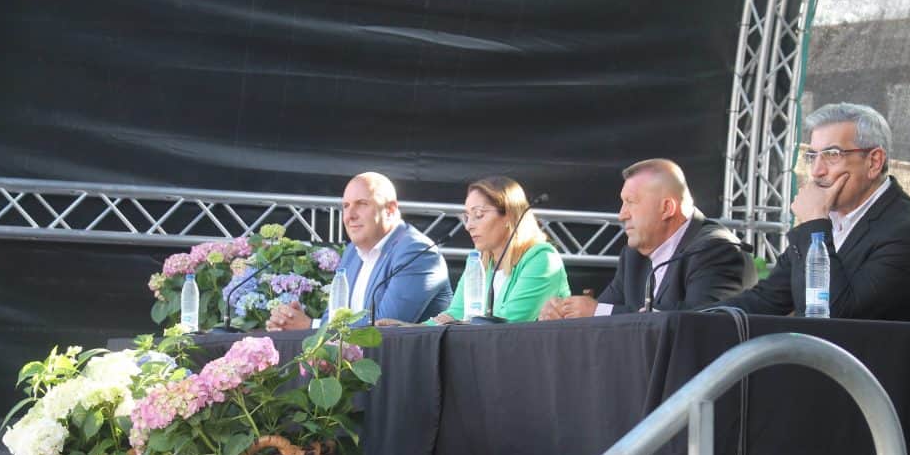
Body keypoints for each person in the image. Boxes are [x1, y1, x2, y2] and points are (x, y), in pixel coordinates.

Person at [718, 102, 910, 325]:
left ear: (874, 162)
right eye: (813, 156)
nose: (816, 171)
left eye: (832, 155)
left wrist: (814, 221)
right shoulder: (829, 217)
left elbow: (835, 319)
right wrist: (699, 319)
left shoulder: (908, 232)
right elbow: (766, 299)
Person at [538, 159, 755, 320]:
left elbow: (701, 322)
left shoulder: (716, 250)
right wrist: (565, 314)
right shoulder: (634, 256)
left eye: (631, 202)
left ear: (667, 208)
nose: (621, 214)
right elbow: (601, 314)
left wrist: (597, 312)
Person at [267, 172, 451, 330]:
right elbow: (334, 317)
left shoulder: (417, 252)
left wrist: (311, 326)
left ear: (390, 210)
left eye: (362, 203)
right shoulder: (352, 252)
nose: (350, 215)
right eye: (346, 206)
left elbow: (385, 328)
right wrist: (292, 322)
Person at [423, 176, 570, 324]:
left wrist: (456, 323)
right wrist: (414, 329)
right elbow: (456, 313)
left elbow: (507, 324)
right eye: (466, 217)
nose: (468, 226)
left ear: (509, 215)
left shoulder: (542, 259)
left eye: (479, 215)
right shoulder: (477, 260)